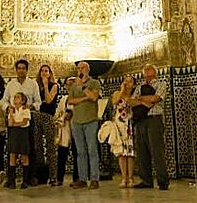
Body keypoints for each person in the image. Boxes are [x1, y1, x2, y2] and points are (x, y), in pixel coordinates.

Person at [131, 64, 170, 190]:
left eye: (149, 71)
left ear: (155, 72)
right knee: (142, 151)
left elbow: (156, 98)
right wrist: (146, 101)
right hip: (141, 119)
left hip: (154, 119)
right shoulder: (140, 86)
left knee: (157, 150)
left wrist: (141, 98)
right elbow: (132, 101)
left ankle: (162, 181)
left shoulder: (161, 84)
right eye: (145, 71)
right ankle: (146, 180)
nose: (147, 73)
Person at [66, 60, 102, 190]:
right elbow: (70, 101)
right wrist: (84, 97)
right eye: (78, 68)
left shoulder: (94, 83)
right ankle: (82, 178)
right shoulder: (74, 85)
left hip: (91, 121)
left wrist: (83, 88)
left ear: (88, 69)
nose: (80, 70)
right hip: (77, 122)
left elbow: (93, 97)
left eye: (82, 68)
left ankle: (94, 179)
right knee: (80, 152)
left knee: (92, 150)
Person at [108, 75, 137, 187]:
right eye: (125, 81)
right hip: (119, 125)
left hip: (129, 125)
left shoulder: (135, 94)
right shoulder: (117, 93)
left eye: (130, 82)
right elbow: (115, 101)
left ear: (133, 84)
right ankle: (123, 177)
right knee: (121, 152)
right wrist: (122, 91)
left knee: (130, 152)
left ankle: (130, 178)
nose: (127, 83)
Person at [4, 92, 32, 189]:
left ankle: (25, 181)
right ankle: (12, 181)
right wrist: (11, 114)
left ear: (23, 100)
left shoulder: (26, 110)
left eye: (18, 97)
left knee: (24, 157)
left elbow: (24, 122)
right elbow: (10, 123)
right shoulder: (12, 111)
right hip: (14, 134)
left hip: (23, 134)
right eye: (14, 97)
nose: (15, 99)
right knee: (12, 156)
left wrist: (15, 123)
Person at [51, 77, 75, 186]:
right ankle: (59, 178)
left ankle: (77, 179)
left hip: (76, 129)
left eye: (72, 84)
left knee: (77, 154)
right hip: (64, 129)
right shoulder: (64, 99)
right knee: (61, 154)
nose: (70, 87)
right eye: (68, 84)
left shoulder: (80, 98)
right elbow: (57, 112)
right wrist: (61, 117)